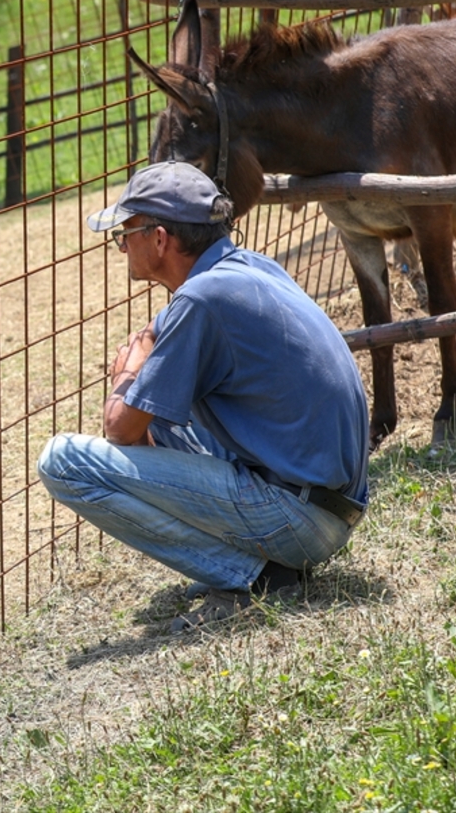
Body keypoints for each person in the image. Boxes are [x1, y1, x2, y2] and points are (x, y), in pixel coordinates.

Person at [36, 161, 370, 632]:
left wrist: (127, 373)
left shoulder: (200, 302)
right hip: (330, 507)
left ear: (159, 239)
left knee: (62, 462)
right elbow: (156, 372)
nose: (121, 245)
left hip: (299, 519)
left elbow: (119, 427)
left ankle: (254, 576)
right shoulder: (248, 267)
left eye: (125, 233)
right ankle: (263, 561)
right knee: (163, 409)